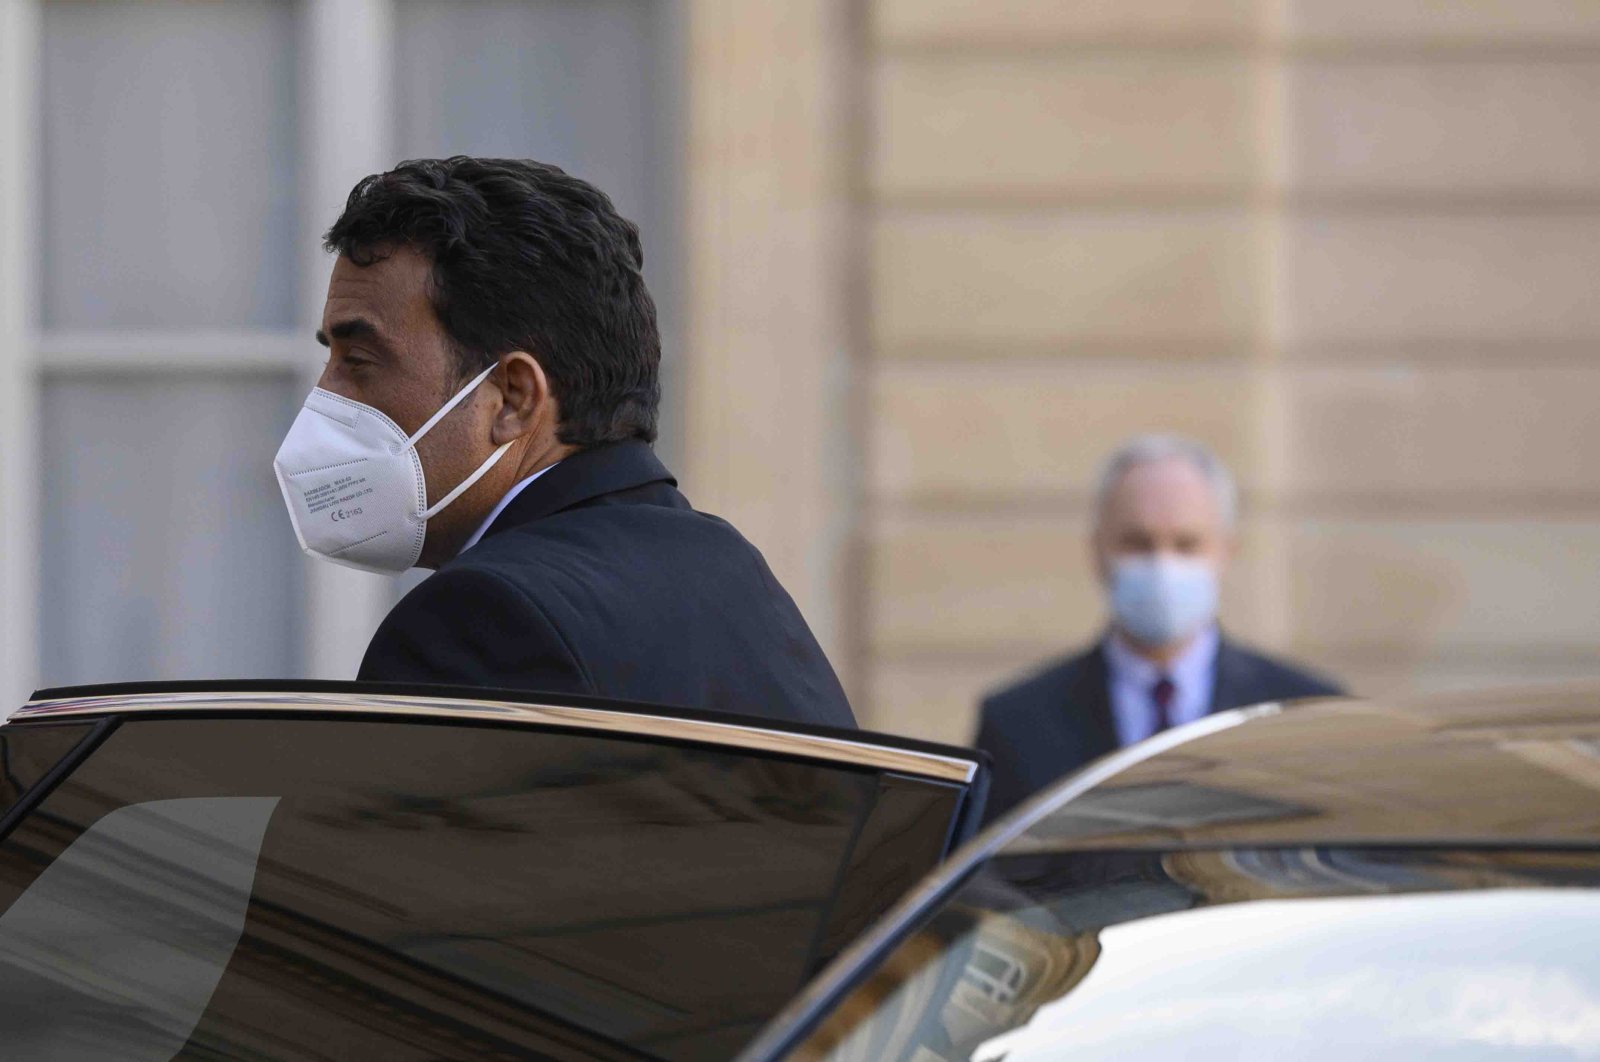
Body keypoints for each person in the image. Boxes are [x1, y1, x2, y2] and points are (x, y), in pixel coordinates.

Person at [273, 156, 854, 729]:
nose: (326, 396)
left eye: (360, 360)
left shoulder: (481, 620)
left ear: (513, 397)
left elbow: (365, 827)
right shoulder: (730, 576)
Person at [974, 435, 1341, 822]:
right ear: (1098, 551)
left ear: (1225, 551)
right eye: (1137, 542)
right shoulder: (1017, 724)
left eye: (1186, 544)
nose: (1162, 566)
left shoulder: (1305, 717)